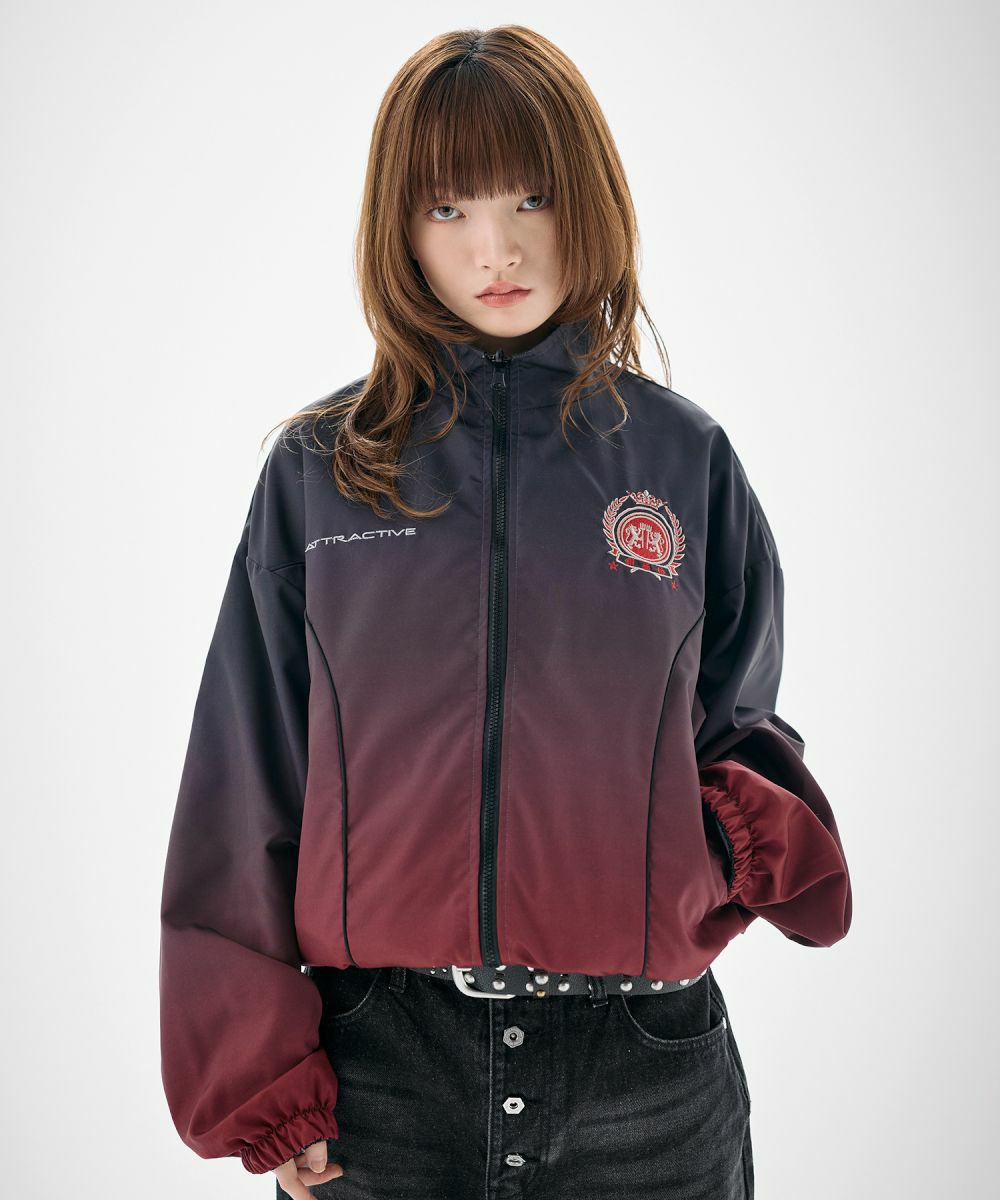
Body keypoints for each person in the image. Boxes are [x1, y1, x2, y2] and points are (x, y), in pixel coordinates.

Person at [158, 24, 852, 1200]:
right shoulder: (321, 472)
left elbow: (735, 726)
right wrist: (261, 1082)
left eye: (532, 196)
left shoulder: (682, 460)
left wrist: (712, 843)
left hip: (644, 1069)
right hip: (381, 1072)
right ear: (398, 228)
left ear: (588, 199)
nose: (497, 247)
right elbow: (243, 787)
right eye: (448, 208)